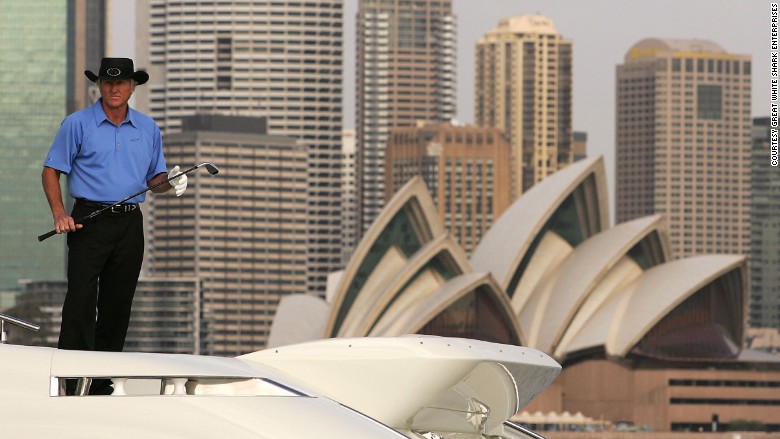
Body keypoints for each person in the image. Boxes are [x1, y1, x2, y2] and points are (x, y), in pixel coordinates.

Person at [41, 57, 187, 395]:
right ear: (99, 86)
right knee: (80, 300)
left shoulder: (149, 128)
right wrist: (60, 213)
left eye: (121, 83)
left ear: (133, 87)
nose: (114, 88)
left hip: (130, 224)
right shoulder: (77, 124)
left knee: (117, 304)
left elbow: (155, 179)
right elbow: (51, 170)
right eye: (108, 82)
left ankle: (101, 387)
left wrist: (172, 182)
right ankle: (70, 384)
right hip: (87, 221)